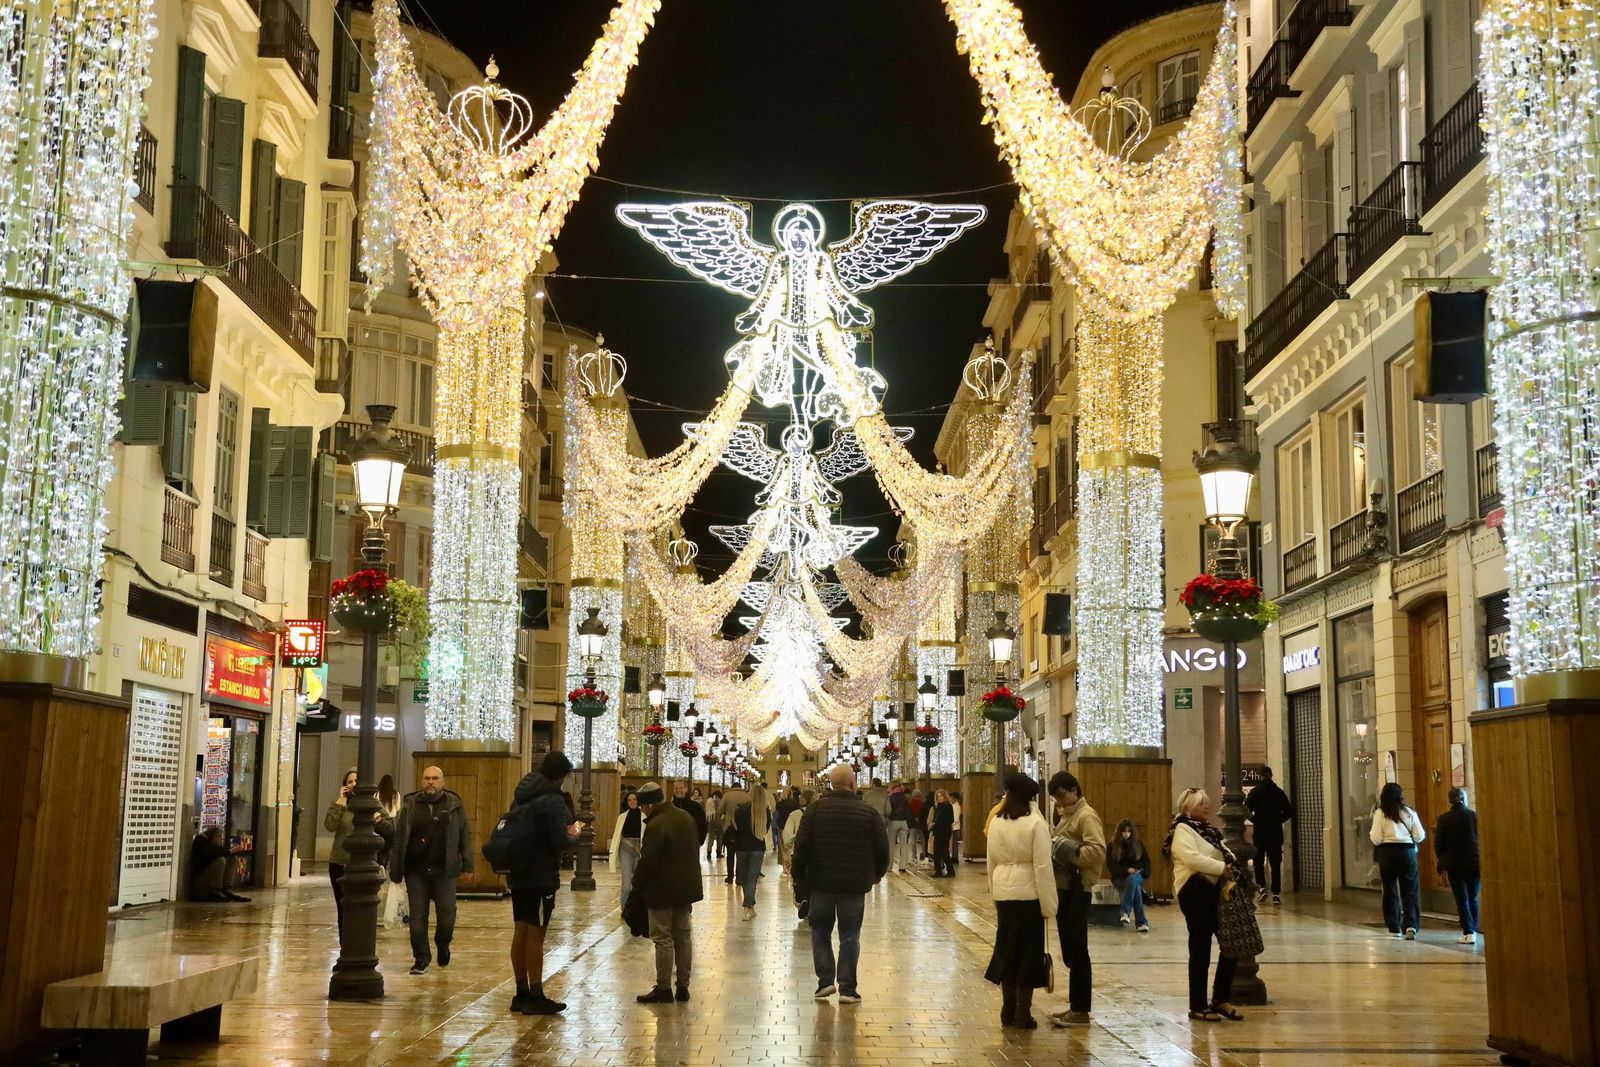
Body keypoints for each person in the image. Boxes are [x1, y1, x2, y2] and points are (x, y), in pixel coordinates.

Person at [793, 764, 890, 1003]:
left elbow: (801, 847)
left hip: (821, 884)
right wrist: (877, 874)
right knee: (850, 936)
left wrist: (799, 878)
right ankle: (847, 988)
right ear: (853, 784)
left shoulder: (814, 810)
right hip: (854, 886)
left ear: (831, 784)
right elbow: (882, 848)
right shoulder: (868, 813)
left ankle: (825, 982)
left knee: (820, 931)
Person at [506, 752, 581, 1014]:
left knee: (520, 931)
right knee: (536, 935)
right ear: (561, 776)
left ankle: (521, 993)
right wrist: (575, 835)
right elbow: (560, 841)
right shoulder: (552, 801)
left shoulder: (522, 795)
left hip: (518, 873)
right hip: (539, 876)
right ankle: (536, 996)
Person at [984, 773, 1057, 1029]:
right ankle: (1023, 1013)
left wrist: (995, 894)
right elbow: (1042, 866)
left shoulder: (996, 822)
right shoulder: (1036, 824)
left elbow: (991, 862)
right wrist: (1049, 904)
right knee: (1028, 954)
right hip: (1029, 896)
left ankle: (1007, 1010)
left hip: (1004, 892)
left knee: (1007, 950)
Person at [1164, 788, 1243, 1022]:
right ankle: (1197, 1005)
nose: (1206, 807)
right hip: (1195, 891)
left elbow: (1220, 853)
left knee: (1231, 943)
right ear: (1187, 807)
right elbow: (1191, 859)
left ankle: (1220, 999)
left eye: (1206, 803)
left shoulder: (1209, 830)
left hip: (1214, 891)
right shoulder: (1182, 829)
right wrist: (1221, 868)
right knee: (1200, 949)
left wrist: (1231, 868)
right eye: (1200, 804)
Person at [389, 765, 474, 974]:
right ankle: (421, 958)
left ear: (442, 782)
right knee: (418, 918)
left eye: (435, 778)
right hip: (416, 870)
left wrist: (468, 864)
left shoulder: (454, 804)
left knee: (447, 916)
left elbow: (465, 835)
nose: (430, 782)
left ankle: (443, 944)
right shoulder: (410, 805)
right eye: (427, 778)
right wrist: (396, 869)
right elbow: (399, 838)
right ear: (421, 781)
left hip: (445, 871)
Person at [631, 781, 703, 1003]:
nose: (642, 810)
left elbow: (648, 861)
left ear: (650, 804)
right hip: (685, 889)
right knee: (683, 937)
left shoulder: (656, 824)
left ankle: (663, 988)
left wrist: (636, 882)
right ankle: (683, 987)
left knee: (662, 938)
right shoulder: (685, 817)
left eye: (643, 806)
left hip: (661, 890)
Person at [1046, 771, 1104, 1027]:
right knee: (1070, 950)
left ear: (1074, 790)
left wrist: (1065, 849)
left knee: (1078, 950)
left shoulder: (1086, 815)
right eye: (1055, 798)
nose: (1059, 802)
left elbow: (1097, 852)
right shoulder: (1067, 815)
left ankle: (1081, 1010)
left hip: (1077, 890)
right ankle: (1074, 1005)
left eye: (1061, 796)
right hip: (1064, 889)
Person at [1369, 781, 1427, 939]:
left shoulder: (1380, 813)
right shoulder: (1409, 812)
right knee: (1410, 890)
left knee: (1390, 889)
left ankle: (1394, 928)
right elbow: (1420, 836)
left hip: (1387, 853)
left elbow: (1376, 838)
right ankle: (1411, 925)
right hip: (1407, 852)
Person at [1433, 787, 1481, 944]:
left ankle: (1468, 931)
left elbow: (1438, 844)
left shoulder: (1444, 819)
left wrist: (1443, 858)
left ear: (1450, 801)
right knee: (1472, 897)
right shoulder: (1473, 816)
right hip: (1474, 862)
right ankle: (1473, 928)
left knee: (1462, 898)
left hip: (1454, 864)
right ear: (1464, 799)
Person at [1245, 766, 1293, 905]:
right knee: (1275, 863)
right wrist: (1278, 820)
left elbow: (1246, 809)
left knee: (1258, 861)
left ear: (1260, 776)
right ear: (1271, 775)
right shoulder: (1279, 792)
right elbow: (1289, 811)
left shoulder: (1255, 792)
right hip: (1275, 832)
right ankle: (1276, 894)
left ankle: (1262, 888)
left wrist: (1256, 820)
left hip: (1260, 831)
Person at [731, 781, 772, 918]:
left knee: (743, 878)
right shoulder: (765, 812)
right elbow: (765, 830)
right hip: (757, 847)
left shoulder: (740, 810)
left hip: (742, 847)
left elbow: (737, 827)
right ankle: (749, 906)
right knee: (752, 879)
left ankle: (747, 906)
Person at [324, 768, 358, 928]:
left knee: (359, 909)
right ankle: (344, 942)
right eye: (349, 782)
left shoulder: (372, 805)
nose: (353, 784)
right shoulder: (340, 805)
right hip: (339, 862)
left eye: (356, 781)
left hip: (361, 865)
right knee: (342, 909)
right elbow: (330, 825)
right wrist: (340, 804)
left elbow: (388, 829)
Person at [1108, 819, 1151, 932]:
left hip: (1137, 875)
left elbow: (1146, 862)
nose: (1126, 834)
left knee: (1133, 879)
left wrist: (1141, 872)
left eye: (1128, 831)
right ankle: (1141, 922)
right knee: (1135, 888)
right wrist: (1126, 870)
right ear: (1119, 832)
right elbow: (1112, 866)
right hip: (1120, 877)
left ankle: (1125, 912)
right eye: (1123, 832)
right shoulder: (1112, 846)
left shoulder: (1138, 844)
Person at [189, 827, 250, 902]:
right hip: (200, 879)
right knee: (220, 860)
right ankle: (215, 889)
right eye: (220, 838)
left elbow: (222, 851)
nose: (221, 840)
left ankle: (226, 888)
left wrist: (229, 850)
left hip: (208, 875)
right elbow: (212, 854)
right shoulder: (201, 841)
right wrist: (230, 851)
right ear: (215, 837)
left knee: (232, 858)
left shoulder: (214, 844)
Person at [609, 790, 644, 911]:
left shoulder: (644, 816)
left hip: (640, 849)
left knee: (639, 880)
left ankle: (637, 909)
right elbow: (617, 834)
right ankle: (625, 909)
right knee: (626, 883)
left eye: (634, 799)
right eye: (629, 800)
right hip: (626, 848)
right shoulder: (622, 817)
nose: (632, 802)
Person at [378, 774, 406, 927]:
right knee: (388, 847)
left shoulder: (377, 793)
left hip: (379, 821)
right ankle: (383, 864)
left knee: (379, 845)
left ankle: (378, 864)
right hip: (390, 822)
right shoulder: (396, 794)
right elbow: (398, 809)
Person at [671, 780, 708, 848]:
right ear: (673, 790)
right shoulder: (670, 806)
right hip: (673, 845)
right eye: (676, 788)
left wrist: (699, 841)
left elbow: (702, 824)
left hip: (690, 844)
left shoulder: (695, 806)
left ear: (686, 789)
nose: (678, 790)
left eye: (681, 788)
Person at [888, 782, 914, 872]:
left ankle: (889, 867)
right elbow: (909, 811)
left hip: (893, 821)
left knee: (891, 845)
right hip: (904, 822)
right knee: (904, 845)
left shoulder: (890, 797)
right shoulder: (905, 798)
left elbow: (888, 810)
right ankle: (903, 866)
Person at [929, 789, 956, 876]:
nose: (939, 798)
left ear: (944, 796)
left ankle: (950, 871)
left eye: (941, 796)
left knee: (944, 851)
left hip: (945, 832)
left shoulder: (948, 806)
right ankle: (938, 871)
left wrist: (941, 824)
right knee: (936, 851)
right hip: (937, 832)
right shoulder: (937, 807)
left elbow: (951, 819)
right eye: (938, 796)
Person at [705, 789, 724, 862]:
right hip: (719, 819)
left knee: (711, 837)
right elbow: (721, 810)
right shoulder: (720, 800)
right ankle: (718, 852)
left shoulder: (709, 800)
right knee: (720, 836)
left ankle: (709, 852)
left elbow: (707, 810)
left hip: (711, 820)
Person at [951, 791, 964, 865]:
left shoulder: (956, 807)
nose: (951, 800)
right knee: (953, 843)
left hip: (954, 827)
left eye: (952, 798)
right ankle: (954, 856)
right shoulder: (953, 806)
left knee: (954, 843)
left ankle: (955, 857)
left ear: (956, 799)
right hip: (954, 827)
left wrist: (950, 824)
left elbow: (955, 819)